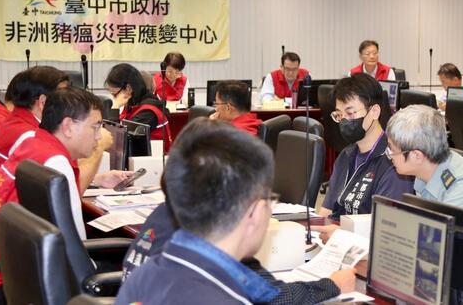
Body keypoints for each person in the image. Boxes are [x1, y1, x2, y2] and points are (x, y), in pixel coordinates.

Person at [116, 119, 355, 304]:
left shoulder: (150, 272)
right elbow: (274, 297)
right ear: (255, 211)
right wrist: (330, 286)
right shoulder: (223, 295)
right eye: (269, 200)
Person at [0, 87, 131, 302]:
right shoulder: (57, 164)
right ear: (67, 126)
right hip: (18, 277)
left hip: (12, 270)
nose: (98, 136)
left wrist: (97, 179)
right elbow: (77, 248)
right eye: (95, 127)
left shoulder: (33, 141)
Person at [314, 74, 414, 241]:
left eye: (350, 113)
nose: (344, 121)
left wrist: (341, 235)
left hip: (365, 247)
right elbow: (326, 211)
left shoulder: (394, 162)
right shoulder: (346, 155)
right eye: (339, 115)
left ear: (374, 111)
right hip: (334, 241)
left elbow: (388, 232)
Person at [386, 105, 463, 215]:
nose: (389, 155)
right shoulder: (425, 170)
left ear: (417, 156)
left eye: (392, 150)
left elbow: (437, 225)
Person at [0, 66, 70, 176]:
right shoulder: (32, 137)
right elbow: (63, 185)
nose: (68, 105)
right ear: (43, 102)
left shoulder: (13, 123)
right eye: (63, 99)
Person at [105, 63, 172, 152]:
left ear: (128, 88)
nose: (115, 98)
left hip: (153, 160)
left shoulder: (148, 112)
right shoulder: (134, 105)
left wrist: (115, 107)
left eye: (115, 94)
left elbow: (116, 141)